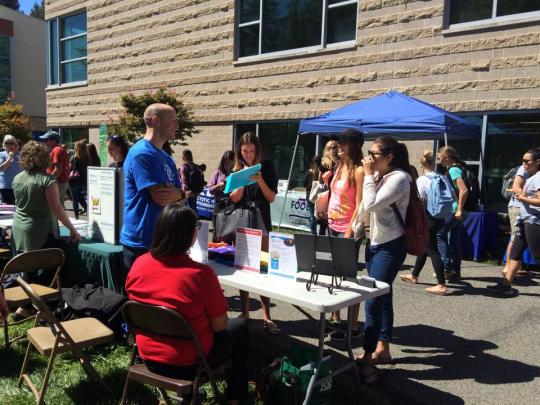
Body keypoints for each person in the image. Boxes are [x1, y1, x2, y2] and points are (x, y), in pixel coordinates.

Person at [126, 205, 248, 404]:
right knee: (241, 326)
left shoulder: (138, 264)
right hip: (190, 363)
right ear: (191, 235)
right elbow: (220, 326)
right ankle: (237, 397)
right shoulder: (200, 275)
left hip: (147, 357)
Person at [354, 136, 412, 384]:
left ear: (389, 157)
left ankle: (368, 357)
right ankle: (383, 348)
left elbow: (372, 203)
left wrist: (366, 175)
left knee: (372, 300)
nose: (369, 158)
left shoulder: (400, 178)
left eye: (373, 153)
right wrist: (353, 229)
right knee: (383, 295)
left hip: (391, 246)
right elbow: (363, 209)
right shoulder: (380, 176)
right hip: (375, 243)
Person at [12, 141, 81, 318]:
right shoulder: (47, 180)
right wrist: (73, 229)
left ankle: (25, 307)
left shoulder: (18, 178)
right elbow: (57, 208)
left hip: (20, 229)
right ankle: (41, 306)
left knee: (28, 267)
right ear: (44, 158)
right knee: (57, 261)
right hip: (39, 230)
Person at [120, 103, 185, 272]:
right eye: (173, 121)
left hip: (162, 240)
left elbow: (180, 199)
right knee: (142, 298)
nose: (177, 125)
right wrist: (178, 194)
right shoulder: (142, 153)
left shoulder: (166, 157)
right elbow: (161, 198)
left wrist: (178, 193)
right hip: (141, 243)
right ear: (156, 121)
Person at [229, 132, 279, 335]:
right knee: (244, 268)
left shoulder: (266, 167)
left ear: (257, 151)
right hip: (242, 220)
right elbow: (233, 199)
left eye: (251, 151)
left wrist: (259, 180)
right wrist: (241, 180)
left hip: (261, 220)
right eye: (244, 151)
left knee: (263, 267)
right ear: (239, 151)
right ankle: (245, 311)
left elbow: (271, 197)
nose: (248, 154)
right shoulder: (236, 169)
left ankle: (267, 314)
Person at [325, 129, 365, 340]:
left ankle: (354, 324)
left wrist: (349, 230)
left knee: (348, 277)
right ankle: (335, 318)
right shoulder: (339, 165)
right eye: (338, 141)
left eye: (343, 142)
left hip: (347, 229)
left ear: (354, 145)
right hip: (331, 225)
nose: (338, 145)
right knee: (332, 272)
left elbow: (360, 204)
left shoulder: (358, 170)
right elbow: (336, 195)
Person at [487, 148, 540, 295]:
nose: (523, 163)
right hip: (524, 219)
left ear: (537, 162)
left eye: (526, 161)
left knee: (537, 255)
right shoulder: (530, 176)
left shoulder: (538, 177)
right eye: (522, 160)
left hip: (534, 221)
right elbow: (517, 186)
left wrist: (523, 198)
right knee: (516, 253)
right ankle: (506, 285)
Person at [400, 150, 451, 295]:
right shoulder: (442, 177)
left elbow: (419, 201)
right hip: (440, 216)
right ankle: (414, 275)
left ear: (422, 165)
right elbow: (452, 195)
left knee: (432, 249)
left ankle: (441, 284)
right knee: (425, 246)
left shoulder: (422, 180)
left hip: (427, 217)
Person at [437, 146, 469, 281]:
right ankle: (456, 271)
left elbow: (463, 190)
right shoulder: (459, 168)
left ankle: (446, 267)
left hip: (455, 209)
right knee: (454, 241)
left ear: (447, 157)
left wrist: (459, 209)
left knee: (440, 234)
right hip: (460, 209)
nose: (438, 158)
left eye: (440, 156)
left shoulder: (454, 169)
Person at [40, 131, 69, 207]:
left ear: (53, 140)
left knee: (55, 206)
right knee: (57, 205)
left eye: (46, 140)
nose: (44, 142)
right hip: (59, 182)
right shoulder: (57, 149)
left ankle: (57, 219)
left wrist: (49, 181)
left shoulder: (57, 150)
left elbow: (58, 169)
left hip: (58, 182)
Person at [318, 139, 339, 235]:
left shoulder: (340, 160)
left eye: (335, 147)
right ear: (327, 149)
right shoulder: (325, 162)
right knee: (324, 220)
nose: (333, 149)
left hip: (338, 192)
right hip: (328, 192)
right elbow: (320, 180)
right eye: (330, 147)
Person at [69, 140, 89, 219]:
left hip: (74, 181)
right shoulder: (87, 158)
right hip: (82, 181)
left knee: (75, 199)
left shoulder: (73, 158)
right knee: (80, 197)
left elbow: (70, 168)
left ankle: (76, 216)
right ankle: (87, 208)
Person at [0, 134, 22, 204]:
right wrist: (10, 157)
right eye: (7, 143)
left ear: (15, 144)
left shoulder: (20, 155)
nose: (10, 145)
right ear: (4, 145)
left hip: (19, 186)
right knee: (7, 209)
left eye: (12, 143)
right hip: (6, 186)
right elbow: (3, 169)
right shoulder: (2, 154)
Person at [303, 155, 321, 234]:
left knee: (312, 215)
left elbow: (305, 184)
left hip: (310, 196)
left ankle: (313, 233)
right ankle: (320, 232)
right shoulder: (320, 172)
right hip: (319, 196)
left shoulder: (309, 173)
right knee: (319, 216)